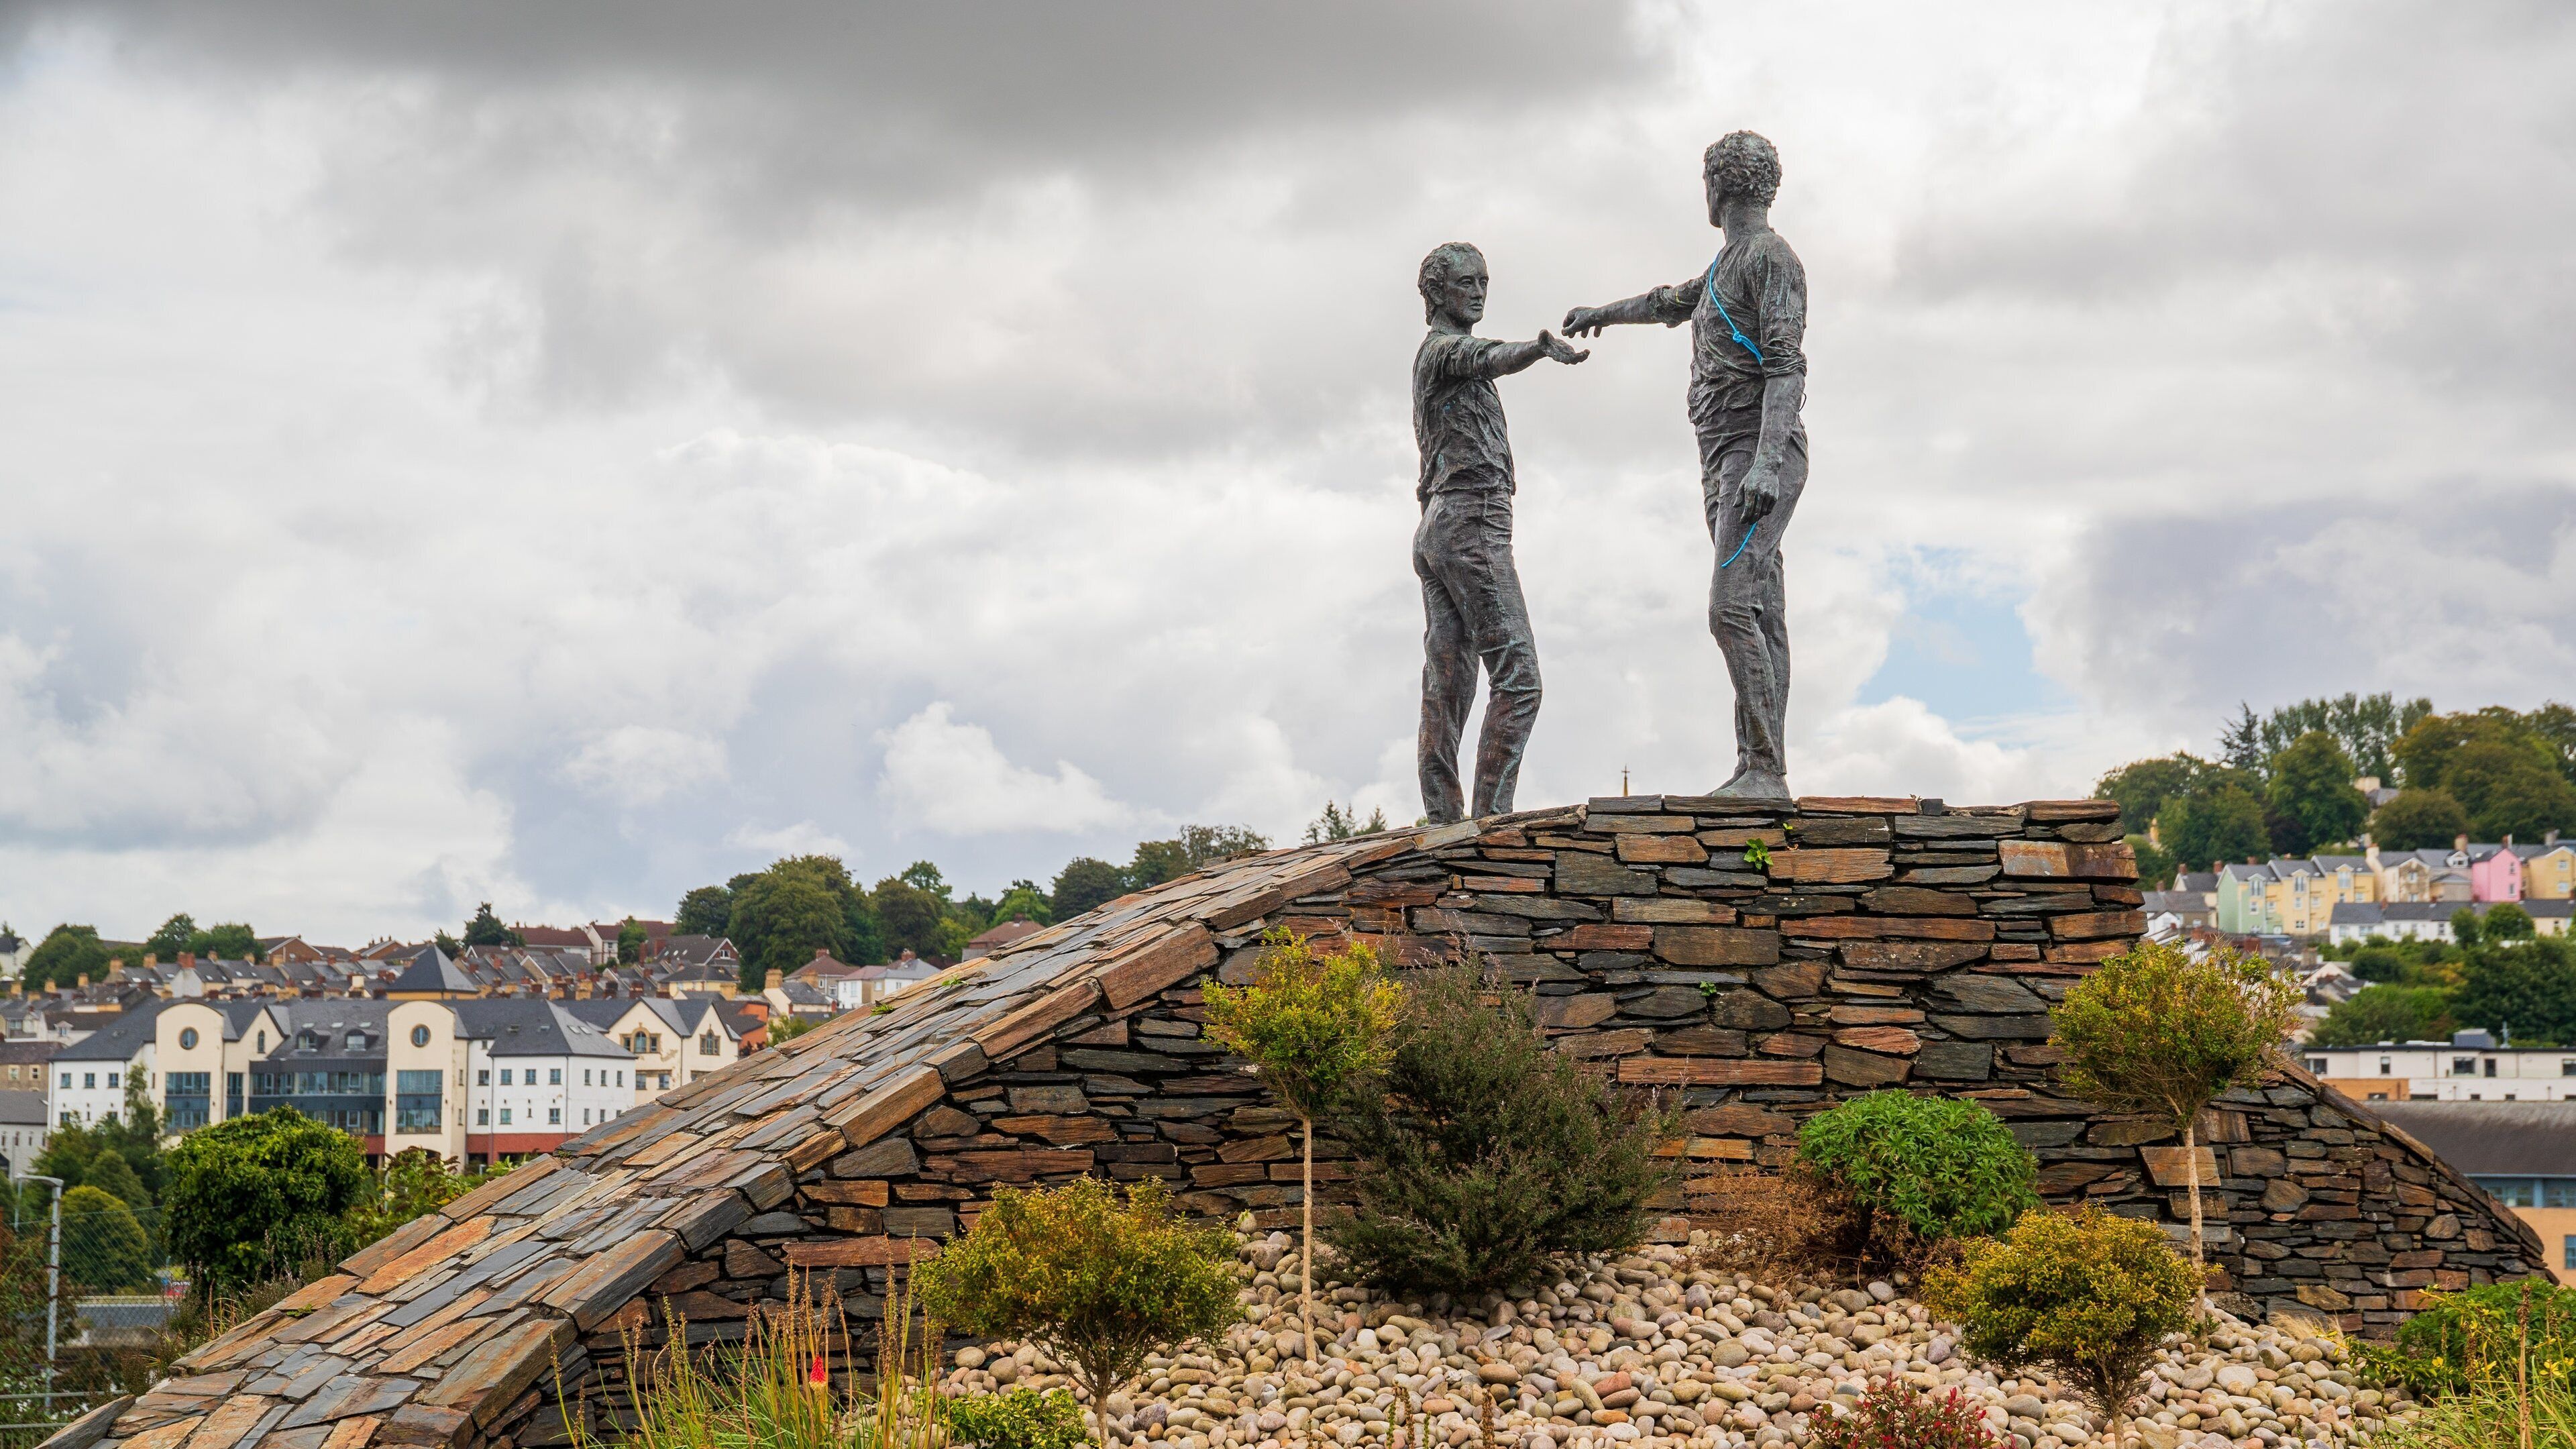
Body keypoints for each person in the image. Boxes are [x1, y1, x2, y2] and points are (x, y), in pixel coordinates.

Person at [1564, 131, 1807, 800]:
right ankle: (1760, 766)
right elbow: (1669, 302)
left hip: (1756, 456)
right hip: (1725, 457)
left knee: (1730, 608)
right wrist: (1603, 315)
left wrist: (1763, 463)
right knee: (1762, 611)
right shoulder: (1727, 263)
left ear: (1717, 187)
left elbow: (1788, 369)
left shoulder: (1770, 259)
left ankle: (1764, 769)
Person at [1411, 241, 1588, 824]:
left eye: (1485, 279)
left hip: (1440, 525)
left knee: (1450, 678)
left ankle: (1443, 816)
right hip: (1470, 524)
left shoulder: (1435, 359)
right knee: (1520, 679)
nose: (1480, 290)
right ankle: (1491, 820)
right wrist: (1534, 350)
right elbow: (1487, 358)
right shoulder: (1444, 353)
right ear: (1438, 292)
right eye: (1467, 281)